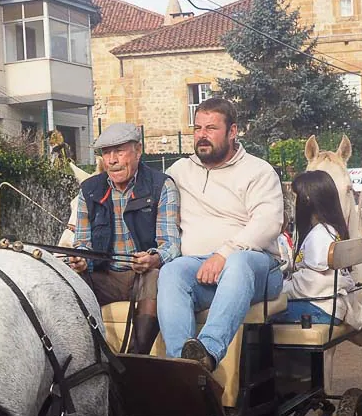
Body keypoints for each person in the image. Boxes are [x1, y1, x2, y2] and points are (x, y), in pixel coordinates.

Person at [157, 98, 284, 369]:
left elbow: (268, 223)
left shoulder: (258, 171)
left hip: (257, 269)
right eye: (198, 128)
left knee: (238, 262)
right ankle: (182, 365)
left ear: (233, 131)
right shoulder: (179, 171)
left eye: (211, 128)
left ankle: (208, 353)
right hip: (200, 271)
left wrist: (223, 254)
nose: (202, 135)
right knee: (172, 271)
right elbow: (150, 202)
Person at [65, 123, 179, 355]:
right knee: (67, 281)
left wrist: (153, 258)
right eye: (107, 153)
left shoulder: (161, 185)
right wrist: (81, 258)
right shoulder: (89, 190)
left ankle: (136, 358)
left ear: (138, 151)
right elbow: (82, 242)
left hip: (143, 277)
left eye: (119, 151)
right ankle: (82, 358)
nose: (112, 160)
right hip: (105, 275)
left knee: (156, 276)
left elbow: (171, 245)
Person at [276, 170, 361, 328]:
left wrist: (282, 288)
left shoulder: (320, 235)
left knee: (264, 315)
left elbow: (314, 281)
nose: (293, 203)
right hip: (327, 306)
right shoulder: (329, 230)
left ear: (307, 200)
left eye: (295, 197)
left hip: (319, 308)